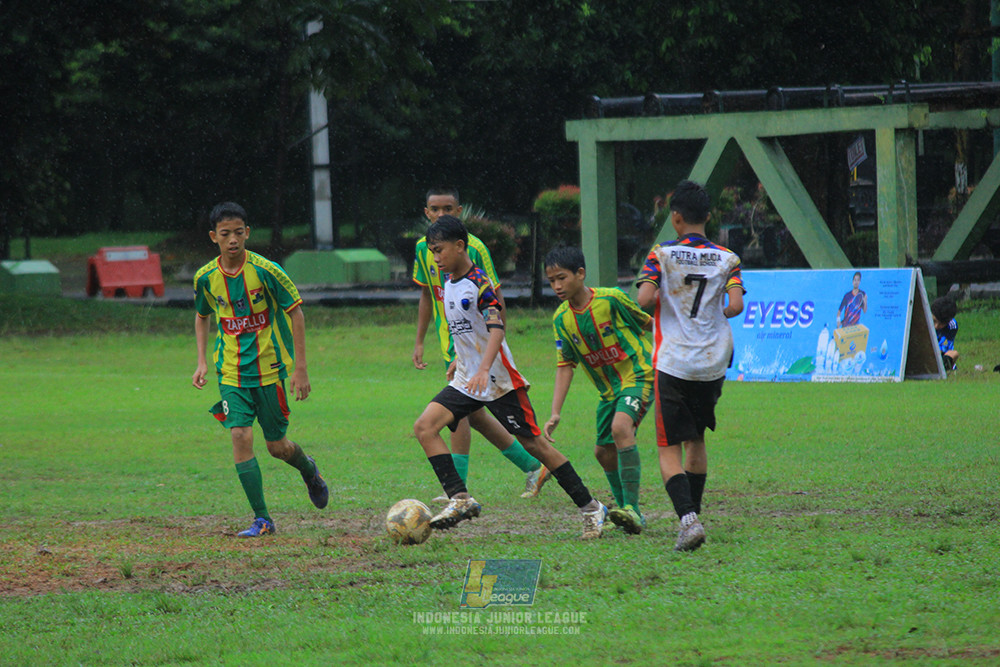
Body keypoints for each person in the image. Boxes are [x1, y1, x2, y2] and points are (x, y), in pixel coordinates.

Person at [413, 216, 608, 539]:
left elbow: (496, 327)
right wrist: (462, 363)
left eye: (439, 251)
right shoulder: (447, 283)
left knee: (535, 445)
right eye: (432, 252)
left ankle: (591, 507)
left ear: (460, 246)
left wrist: (483, 367)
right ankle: (460, 499)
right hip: (467, 378)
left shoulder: (480, 283)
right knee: (424, 426)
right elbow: (465, 331)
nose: (435, 259)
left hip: (498, 379)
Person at [192, 202, 328, 538]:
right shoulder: (206, 278)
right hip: (231, 373)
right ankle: (263, 519)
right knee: (239, 435)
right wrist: (201, 361)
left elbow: (296, 313)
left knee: (277, 446)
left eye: (239, 232)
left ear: (247, 233)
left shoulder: (267, 270)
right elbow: (201, 316)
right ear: (214, 237)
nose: (233, 240)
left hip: (270, 371)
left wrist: (301, 368)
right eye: (225, 234)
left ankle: (309, 471)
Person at [411, 186, 546, 500]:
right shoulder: (423, 249)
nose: (441, 214)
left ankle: (457, 490)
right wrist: (419, 340)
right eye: (435, 209)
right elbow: (426, 294)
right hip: (453, 344)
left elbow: (494, 295)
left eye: (448, 209)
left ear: (459, 212)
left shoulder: (475, 247)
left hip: (477, 344)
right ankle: (531, 467)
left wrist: (494, 341)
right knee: (471, 414)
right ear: (426, 213)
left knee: (458, 414)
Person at [636, 180, 744, 552]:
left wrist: (654, 303)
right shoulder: (728, 258)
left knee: (668, 448)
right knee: (696, 438)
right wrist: (722, 308)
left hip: (674, 361)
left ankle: (687, 520)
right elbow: (735, 306)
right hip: (712, 362)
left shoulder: (662, 254)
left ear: (676, 218)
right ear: (709, 217)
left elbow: (645, 297)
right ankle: (692, 515)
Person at [543, 246, 654, 535]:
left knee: (620, 428)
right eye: (551, 280)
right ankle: (624, 510)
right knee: (603, 452)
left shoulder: (611, 299)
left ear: (581, 274)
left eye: (562, 278)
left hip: (639, 374)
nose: (556, 286)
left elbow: (649, 323)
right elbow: (565, 364)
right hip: (608, 391)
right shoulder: (561, 319)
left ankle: (632, 509)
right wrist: (555, 411)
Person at [931, 295, 959, 371]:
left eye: (941, 324)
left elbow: (944, 348)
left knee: (954, 354)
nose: (936, 326)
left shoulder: (952, 326)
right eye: (934, 321)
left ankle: (943, 368)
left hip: (938, 354)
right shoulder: (923, 319)